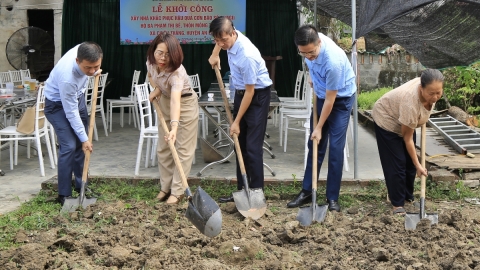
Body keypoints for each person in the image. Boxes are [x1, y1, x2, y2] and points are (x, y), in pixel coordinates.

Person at [286, 25, 356, 212]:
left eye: (312, 52)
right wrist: (311, 75)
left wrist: (318, 127)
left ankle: (332, 198)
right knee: (314, 145)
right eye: (304, 53)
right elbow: (310, 61)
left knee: (335, 148)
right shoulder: (308, 43)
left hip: (340, 100)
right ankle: (307, 190)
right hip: (321, 95)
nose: (308, 56)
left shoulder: (333, 62)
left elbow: (331, 100)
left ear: (319, 43)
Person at [208, 16, 273, 203]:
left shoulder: (247, 55)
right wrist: (215, 53)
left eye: (224, 40)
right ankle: (241, 190)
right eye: (216, 40)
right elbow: (220, 40)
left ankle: (256, 192)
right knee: (239, 145)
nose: (221, 43)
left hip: (257, 96)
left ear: (233, 33)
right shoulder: (227, 40)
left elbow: (250, 93)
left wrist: (236, 121)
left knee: (252, 147)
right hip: (241, 92)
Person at [372, 69, 443, 215]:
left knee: (410, 164)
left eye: (438, 93)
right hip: (387, 119)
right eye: (431, 93)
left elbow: (421, 114)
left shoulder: (429, 85)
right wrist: (419, 165)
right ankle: (397, 204)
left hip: (405, 121)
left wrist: (415, 164)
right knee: (397, 163)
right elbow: (407, 138)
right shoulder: (410, 102)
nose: (435, 97)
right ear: (420, 88)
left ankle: (407, 197)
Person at [44, 42, 103, 205]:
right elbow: (70, 113)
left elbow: (92, 64)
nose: (92, 71)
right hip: (56, 105)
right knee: (70, 145)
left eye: (95, 66)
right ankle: (63, 194)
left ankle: (81, 184)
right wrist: (85, 139)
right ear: (78, 61)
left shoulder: (86, 49)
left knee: (79, 144)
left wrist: (95, 70)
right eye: (88, 68)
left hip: (78, 97)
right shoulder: (67, 77)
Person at [147, 32, 199, 205]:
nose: (163, 58)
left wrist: (175, 128)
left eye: (168, 54)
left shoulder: (176, 73)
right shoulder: (151, 63)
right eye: (159, 52)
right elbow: (150, 77)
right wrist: (157, 89)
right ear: (153, 51)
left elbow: (177, 100)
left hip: (184, 103)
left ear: (175, 55)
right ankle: (165, 187)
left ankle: (177, 192)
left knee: (182, 149)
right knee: (164, 148)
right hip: (165, 101)